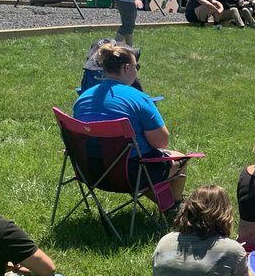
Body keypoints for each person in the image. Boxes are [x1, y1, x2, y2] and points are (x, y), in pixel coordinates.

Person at [73, 42, 189, 206]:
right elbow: (161, 142)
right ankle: (174, 208)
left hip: (88, 172)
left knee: (144, 162)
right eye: (137, 66)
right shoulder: (139, 99)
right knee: (179, 160)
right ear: (127, 68)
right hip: (129, 176)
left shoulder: (83, 99)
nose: (137, 70)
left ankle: (166, 203)